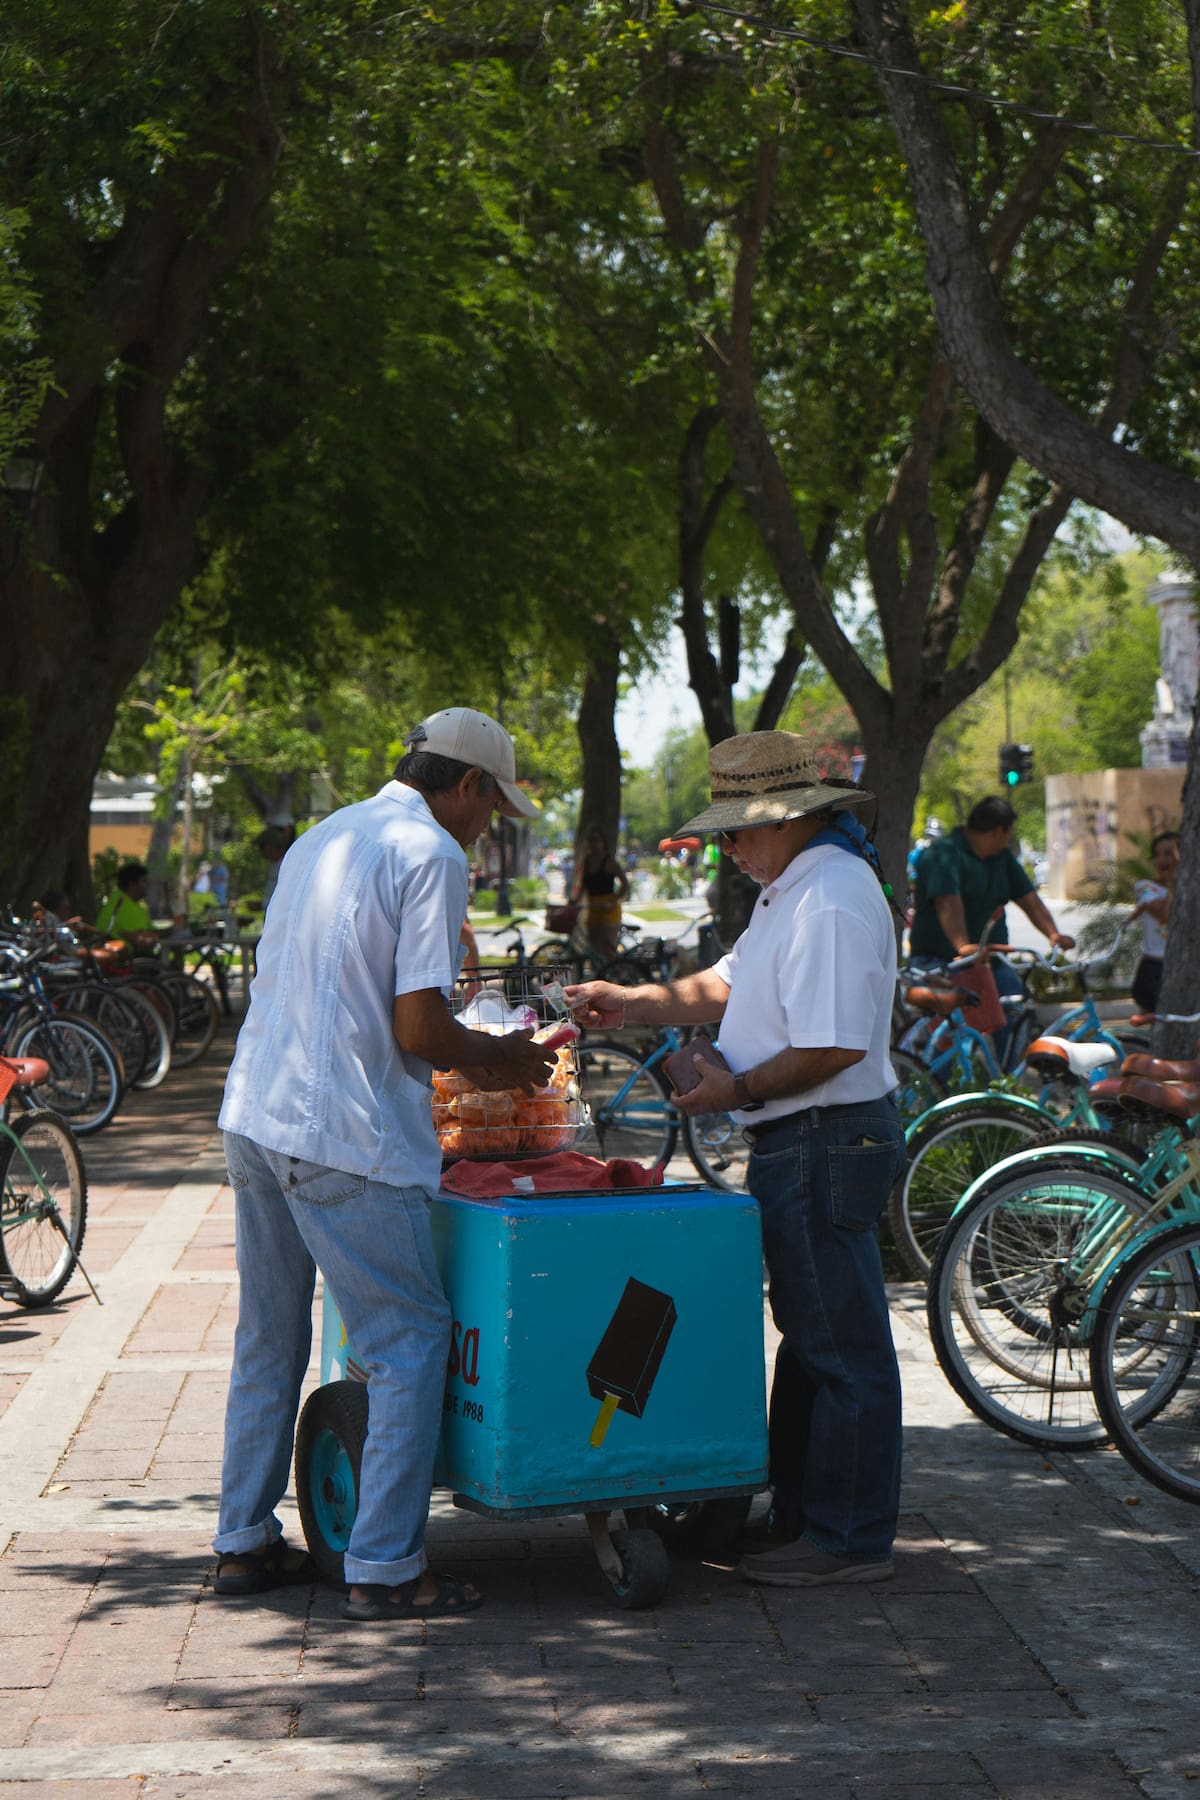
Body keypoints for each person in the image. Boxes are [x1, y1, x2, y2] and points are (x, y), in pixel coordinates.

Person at [213, 707, 554, 1621]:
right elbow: (419, 1028)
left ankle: (243, 1544)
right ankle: (388, 1569)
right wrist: (508, 1060)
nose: (487, 830)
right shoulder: (432, 854)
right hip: (344, 1135)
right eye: (493, 807)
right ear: (469, 785)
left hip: (257, 1114)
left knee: (268, 1336)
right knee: (407, 1344)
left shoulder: (326, 833)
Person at [565, 730, 906, 1588]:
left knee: (839, 1344)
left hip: (824, 1134)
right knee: (814, 1334)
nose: (730, 848)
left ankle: (847, 1538)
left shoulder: (827, 895)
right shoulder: (794, 887)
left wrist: (736, 1088)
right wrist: (637, 1001)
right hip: (803, 1136)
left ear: (788, 817)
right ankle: (807, 1517)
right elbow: (731, 980)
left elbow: (829, 1047)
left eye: (737, 831)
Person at [907, 795, 1075, 1058]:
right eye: (1008, 834)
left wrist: (1053, 934)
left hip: (988, 965)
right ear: (998, 830)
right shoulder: (944, 854)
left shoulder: (1001, 858)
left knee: (1015, 1009)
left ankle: (1004, 1085)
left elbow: (1029, 900)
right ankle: (946, 1091)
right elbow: (947, 903)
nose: (1008, 840)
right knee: (950, 1039)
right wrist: (964, 947)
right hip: (940, 962)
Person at [1129, 830, 1180, 1015]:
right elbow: (1165, 915)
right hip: (1156, 970)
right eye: (1157, 855)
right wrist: (1174, 879)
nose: (1163, 860)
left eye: (1170, 853)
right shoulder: (1146, 888)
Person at [571, 825, 630, 960]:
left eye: (596, 840)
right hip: (593, 907)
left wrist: (612, 901)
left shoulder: (609, 861)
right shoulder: (586, 862)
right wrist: (574, 901)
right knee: (594, 951)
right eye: (591, 840)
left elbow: (625, 885)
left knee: (607, 949)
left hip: (608, 908)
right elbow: (582, 887)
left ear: (603, 842)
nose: (593, 844)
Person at [94, 862, 159, 944]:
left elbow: (151, 931)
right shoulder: (122, 903)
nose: (147, 885)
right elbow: (143, 940)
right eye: (143, 881)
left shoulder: (132, 903)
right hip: (126, 956)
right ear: (131, 885)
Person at [254, 817, 296, 912]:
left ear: (270, 847)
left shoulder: (287, 866)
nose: (261, 852)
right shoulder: (274, 865)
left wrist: (262, 905)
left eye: (262, 848)